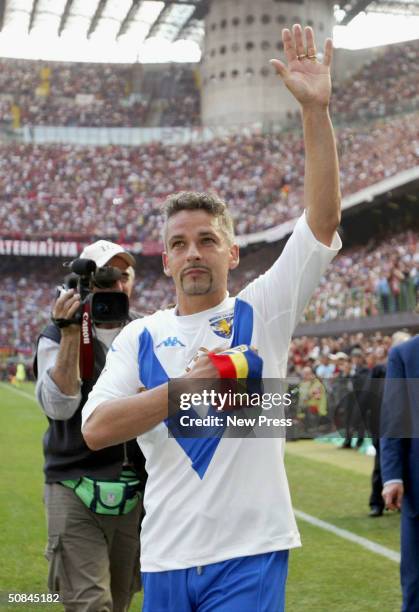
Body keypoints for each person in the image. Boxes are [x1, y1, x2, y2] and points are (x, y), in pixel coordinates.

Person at [82, 25, 341, 612]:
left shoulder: (263, 310)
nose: (193, 252)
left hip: (251, 551)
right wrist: (184, 392)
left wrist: (315, 111)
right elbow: (96, 429)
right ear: (166, 259)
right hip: (167, 554)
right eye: (180, 243)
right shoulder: (140, 337)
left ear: (232, 253)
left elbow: (321, 222)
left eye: (207, 240)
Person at [34, 239, 147, 612]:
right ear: (84, 284)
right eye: (106, 277)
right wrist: (69, 334)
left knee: (119, 601)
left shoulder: (144, 333)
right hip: (74, 482)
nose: (117, 286)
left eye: (124, 277)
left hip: (133, 488)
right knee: (90, 604)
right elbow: (58, 407)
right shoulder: (58, 333)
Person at [381, 334, 419, 612]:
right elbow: (394, 416)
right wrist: (392, 476)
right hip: (418, 486)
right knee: (417, 582)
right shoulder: (405, 354)